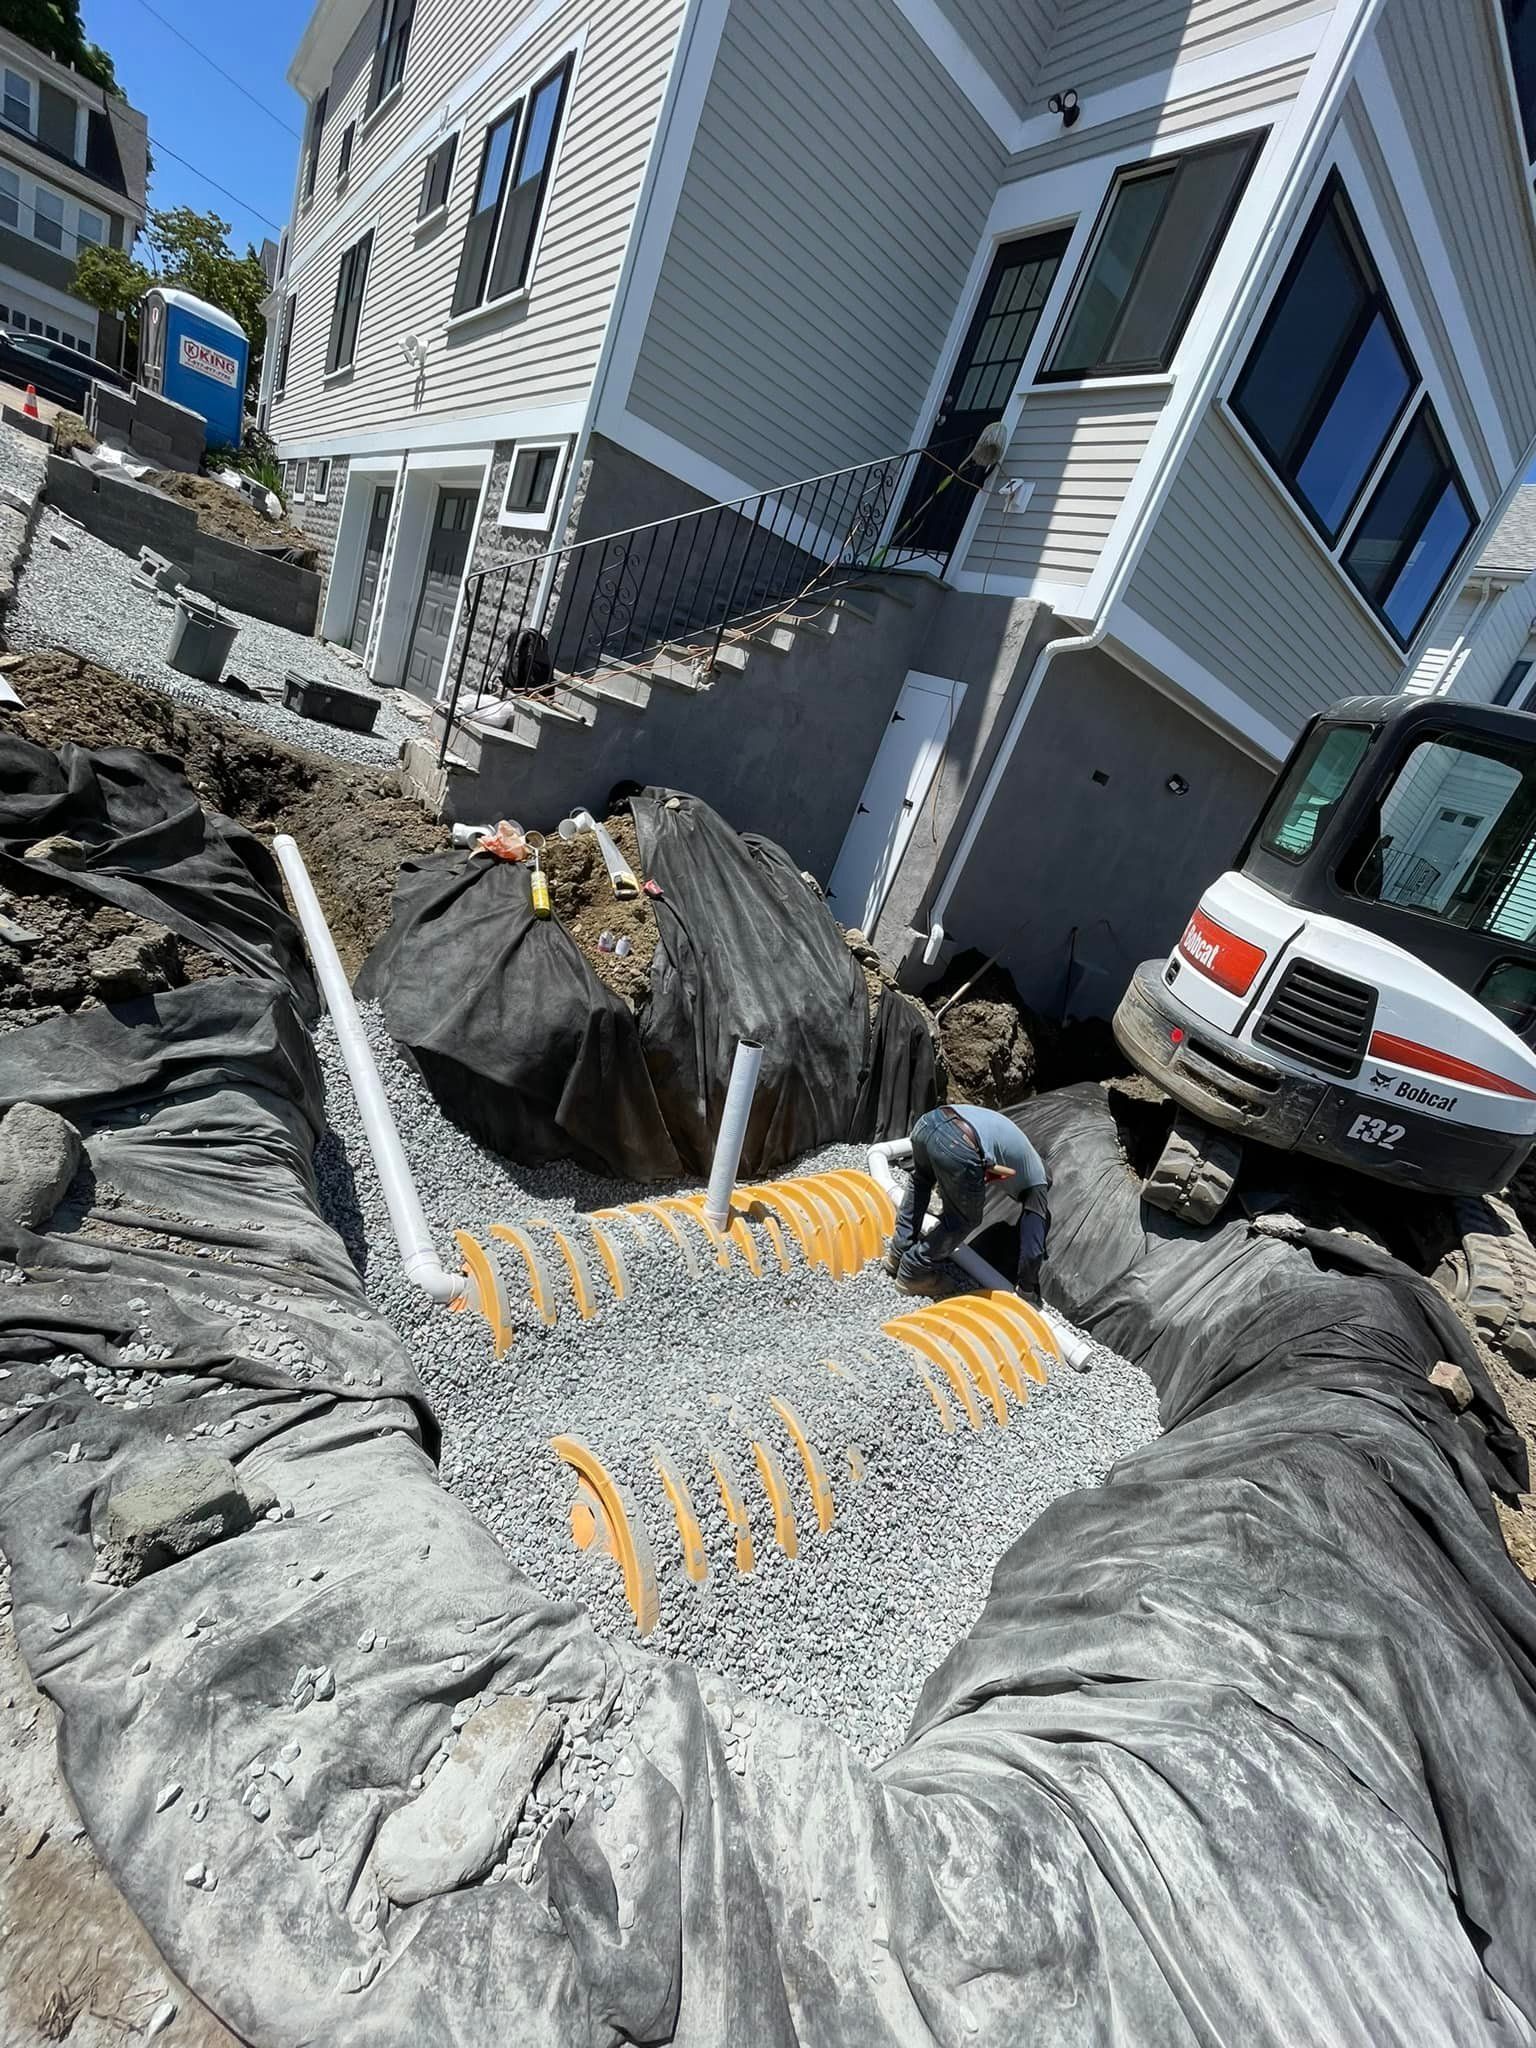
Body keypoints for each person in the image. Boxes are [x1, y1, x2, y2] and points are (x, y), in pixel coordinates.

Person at [884, 1103, 1050, 1303]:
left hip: (929, 1121)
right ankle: (914, 1271)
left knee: (921, 1182)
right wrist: (1027, 1289)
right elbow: (1033, 1251)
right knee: (964, 1219)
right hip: (959, 1139)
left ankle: (898, 1252)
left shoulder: (1020, 1155)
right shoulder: (1038, 1184)